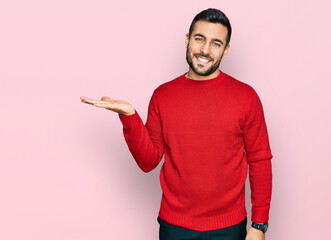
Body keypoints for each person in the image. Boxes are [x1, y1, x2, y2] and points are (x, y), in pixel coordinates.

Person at [81, 8, 272, 240]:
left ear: (226, 50)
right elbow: (148, 161)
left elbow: (259, 160)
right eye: (199, 39)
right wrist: (129, 116)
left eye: (216, 43)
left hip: (230, 227)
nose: (205, 50)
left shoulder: (246, 97)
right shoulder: (163, 95)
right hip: (175, 227)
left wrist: (259, 224)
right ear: (187, 39)